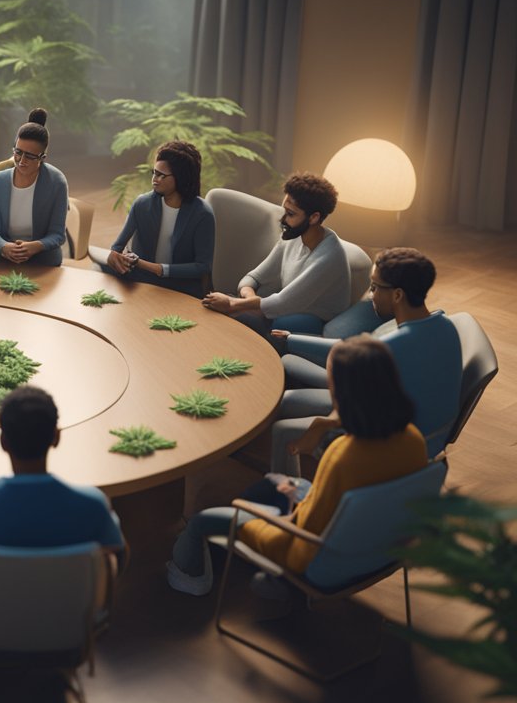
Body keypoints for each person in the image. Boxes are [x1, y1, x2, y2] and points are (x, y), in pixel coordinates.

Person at [166, 336, 427, 597]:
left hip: (309, 555)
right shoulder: (413, 438)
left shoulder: (343, 456)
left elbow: (305, 530)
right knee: (274, 483)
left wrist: (278, 519)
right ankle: (237, 527)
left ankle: (192, 578)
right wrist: (326, 424)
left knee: (200, 521)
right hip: (382, 545)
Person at [0, 385, 126, 619]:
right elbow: (117, 557)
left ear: (3, 441)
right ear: (57, 437)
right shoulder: (93, 505)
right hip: (68, 631)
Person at [269, 248, 462, 474]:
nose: (370, 295)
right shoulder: (446, 325)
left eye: (374, 287)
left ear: (398, 295)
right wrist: (291, 340)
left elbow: (347, 352)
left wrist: (327, 423)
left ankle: (286, 499)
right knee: (290, 371)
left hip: (393, 440)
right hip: (431, 431)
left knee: (282, 426)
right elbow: (352, 351)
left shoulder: (392, 346)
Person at [202, 173, 352, 336]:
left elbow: (282, 302)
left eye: (291, 214)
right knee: (225, 308)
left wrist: (232, 305)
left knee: (237, 315)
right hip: (282, 311)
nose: (283, 220)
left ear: (314, 217)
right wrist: (246, 299)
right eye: (284, 211)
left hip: (309, 322)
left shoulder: (329, 257)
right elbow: (254, 277)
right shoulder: (293, 236)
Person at [93, 141, 215, 298]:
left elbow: (202, 267)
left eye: (161, 175)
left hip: (180, 286)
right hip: (142, 278)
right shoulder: (142, 204)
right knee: (97, 269)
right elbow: (117, 246)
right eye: (154, 172)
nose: (154, 179)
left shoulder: (202, 214)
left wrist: (158, 269)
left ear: (181, 177)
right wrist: (115, 257)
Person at [0, 108, 69, 267]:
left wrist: (36, 246)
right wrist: (4, 247)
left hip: (44, 262)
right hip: (2, 260)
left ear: (42, 158)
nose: (22, 161)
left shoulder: (57, 182)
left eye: (29, 156)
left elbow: (57, 234)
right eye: (18, 152)